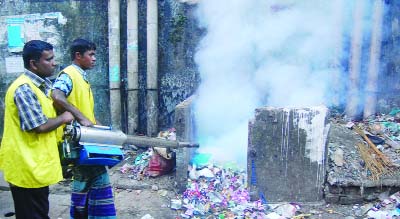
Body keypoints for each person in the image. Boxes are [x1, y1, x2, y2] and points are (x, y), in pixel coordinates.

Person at [0, 40, 74, 219]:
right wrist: (64, 117)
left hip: (36, 164)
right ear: (33, 64)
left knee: (38, 211)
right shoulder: (24, 88)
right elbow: (38, 126)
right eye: (49, 59)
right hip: (26, 166)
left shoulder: (42, 85)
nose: (54, 63)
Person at [51, 38, 117, 218]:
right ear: (78, 56)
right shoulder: (68, 74)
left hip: (86, 140)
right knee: (95, 180)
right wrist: (80, 117)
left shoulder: (81, 77)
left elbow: (86, 110)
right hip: (77, 141)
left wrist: (98, 127)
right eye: (91, 54)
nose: (94, 58)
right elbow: (56, 95)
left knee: (86, 183)